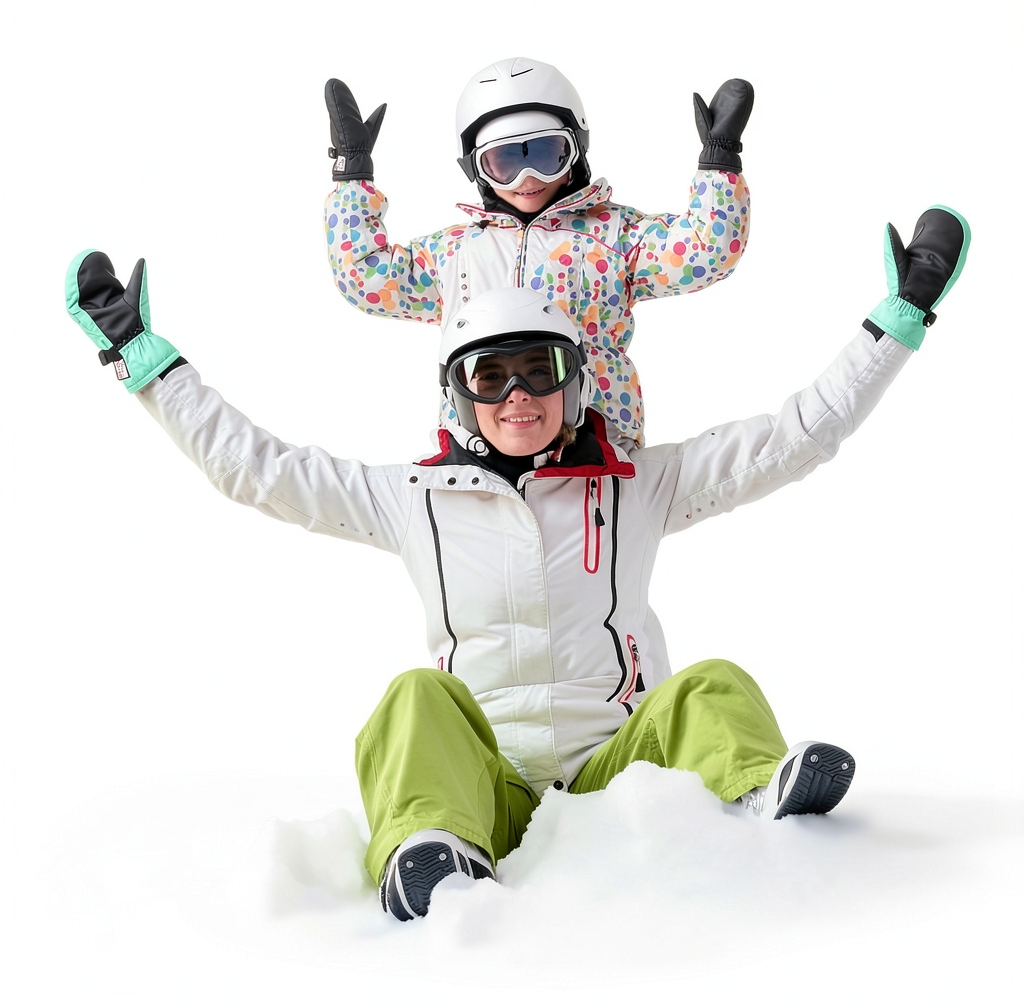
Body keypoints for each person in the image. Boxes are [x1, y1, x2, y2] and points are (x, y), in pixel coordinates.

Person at [64, 205, 970, 921]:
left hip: (615, 767)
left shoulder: (636, 485)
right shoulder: (413, 498)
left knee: (711, 685)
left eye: (539, 371)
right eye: (490, 377)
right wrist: (143, 359)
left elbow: (794, 437)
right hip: (487, 779)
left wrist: (897, 321)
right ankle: (431, 848)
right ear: (459, 396)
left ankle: (758, 790)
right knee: (414, 700)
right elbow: (257, 470)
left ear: (575, 383)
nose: (518, 396)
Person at [323, 57, 754, 445]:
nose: (527, 178)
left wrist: (719, 165)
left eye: (547, 155)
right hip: (485, 445)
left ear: (575, 150)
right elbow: (366, 277)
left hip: (595, 440)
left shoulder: (615, 236)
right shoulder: (454, 253)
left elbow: (705, 251)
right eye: (504, 163)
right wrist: (351, 175)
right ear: (476, 168)